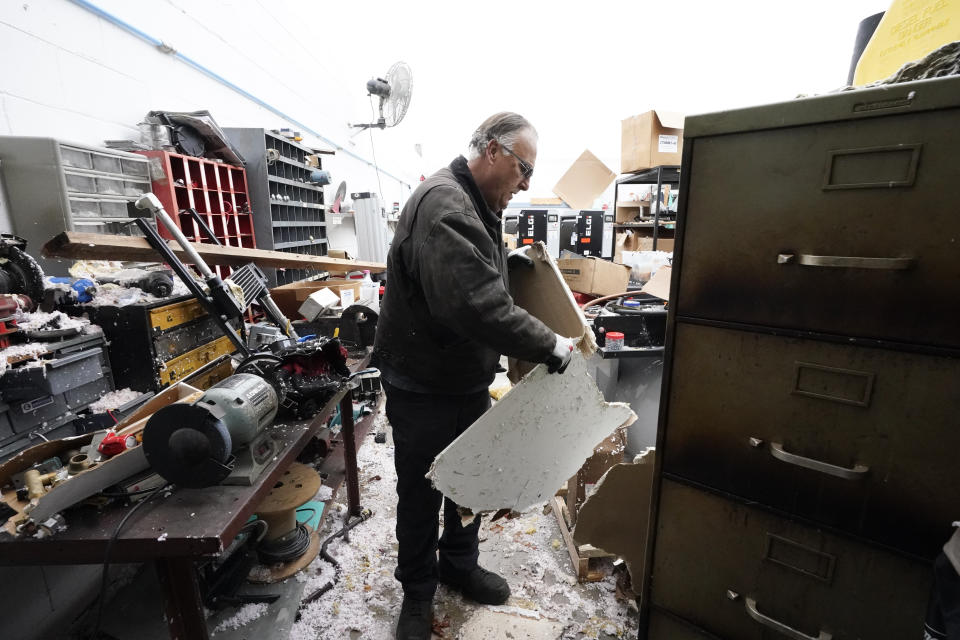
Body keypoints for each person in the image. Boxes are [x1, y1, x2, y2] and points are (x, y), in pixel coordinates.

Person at [372, 112, 575, 640]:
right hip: (422, 382)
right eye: (523, 168)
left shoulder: (476, 203)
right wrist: (550, 345)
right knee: (422, 490)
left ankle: (458, 564)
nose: (526, 183)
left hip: (460, 376)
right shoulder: (445, 205)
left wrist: (512, 264)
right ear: (491, 150)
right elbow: (476, 305)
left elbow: (475, 270)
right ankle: (418, 592)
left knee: (470, 479)